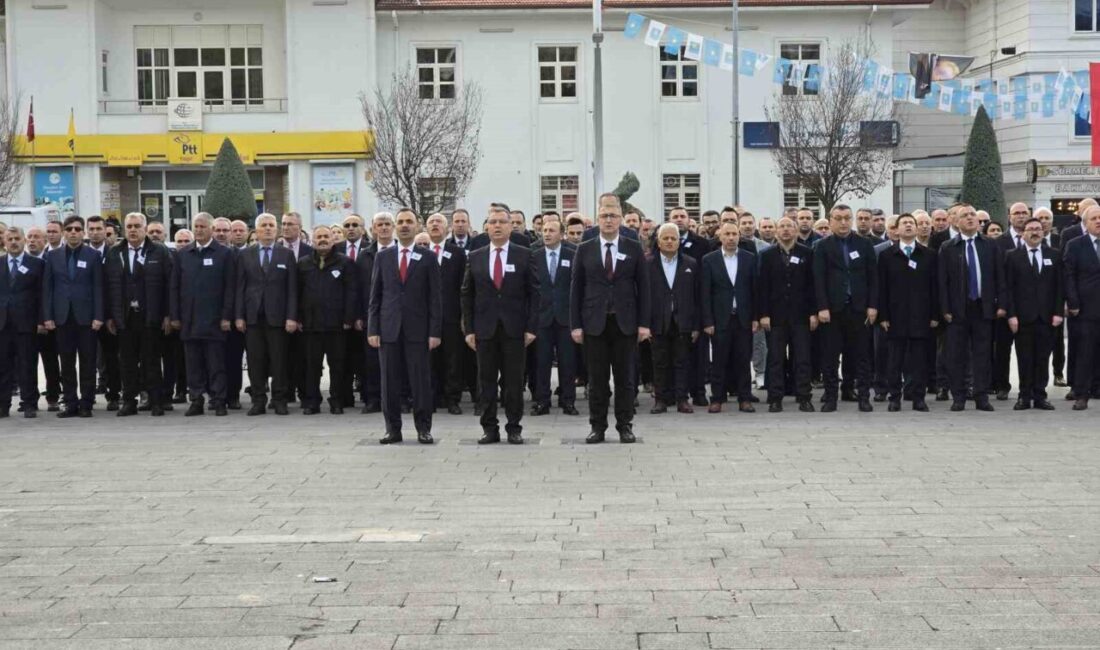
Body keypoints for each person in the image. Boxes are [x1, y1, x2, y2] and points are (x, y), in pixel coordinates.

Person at [571, 193, 651, 443]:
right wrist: (576, 325)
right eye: (604, 216)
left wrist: (644, 323)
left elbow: (644, 288)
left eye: (613, 216)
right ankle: (598, 426)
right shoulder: (585, 249)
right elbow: (576, 288)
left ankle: (624, 425)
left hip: (625, 323)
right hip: (595, 323)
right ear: (597, 219)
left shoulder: (633, 247)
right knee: (597, 380)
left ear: (620, 219)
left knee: (626, 379)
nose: (608, 220)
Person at [462, 204, 539, 443]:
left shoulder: (524, 254)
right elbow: (467, 294)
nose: (497, 226)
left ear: (510, 226)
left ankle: (514, 427)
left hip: (515, 328)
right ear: (486, 227)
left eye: (502, 222)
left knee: (513, 381)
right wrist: (469, 329)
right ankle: (489, 428)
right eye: (492, 222)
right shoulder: (476, 256)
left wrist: (531, 327)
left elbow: (534, 294)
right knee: (485, 381)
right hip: (484, 329)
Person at [367, 209, 441, 444]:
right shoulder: (383, 256)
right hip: (388, 329)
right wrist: (373, 329)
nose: (405, 225)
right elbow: (375, 297)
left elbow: (435, 299)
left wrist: (434, 332)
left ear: (418, 225)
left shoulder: (427, 257)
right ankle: (393, 429)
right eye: (401, 222)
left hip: (418, 330)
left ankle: (423, 428)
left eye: (409, 221)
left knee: (420, 382)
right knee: (389, 383)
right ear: (395, 227)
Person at [104, 213, 173, 417]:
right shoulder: (115, 252)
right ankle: (129, 401)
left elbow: (169, 285)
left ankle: (156, 401)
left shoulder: (159, 251)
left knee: (151, 361)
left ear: (145, 229)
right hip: (124, 317)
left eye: (137, 226)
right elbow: (109, 286)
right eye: (129, 226)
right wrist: (110, 315)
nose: (133, 230)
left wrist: (168, 315)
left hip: (150, 315)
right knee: (127, 362)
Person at [938, 203, 1005, 412]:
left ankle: (981, 396)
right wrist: (945, 309)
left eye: (973, 215)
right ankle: (959, 396)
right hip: (958, 309)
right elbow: (942, 282)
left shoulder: (990, 245)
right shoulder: (948, 247)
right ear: (956, 222)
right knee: (956, 355)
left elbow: (999, 276)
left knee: (983, 354)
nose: (970, 218)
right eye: (965, 215)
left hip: (983, 308)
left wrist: (1001, 303)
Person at [813, 204, 878, 413]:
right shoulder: (822, 246)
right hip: (832, 310)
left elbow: (873, 278)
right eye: (838, 218)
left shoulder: (864, 244)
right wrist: (822, 307)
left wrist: (872, 305)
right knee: (830, 356)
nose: (843, 222)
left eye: (847, 218)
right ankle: (831, 397)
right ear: (830, 220)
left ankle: (864, 397)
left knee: (862, 356)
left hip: (859, 308)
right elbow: (818, 279)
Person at [169, 212, 236, 417]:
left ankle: (218, 400)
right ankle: (196, 399)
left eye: (202, 227)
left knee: (216, 363)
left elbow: (229, 288)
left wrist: (226, 316)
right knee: (193, 365)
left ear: (211, 229)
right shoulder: (183, 254)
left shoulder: (224, 254)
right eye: (196, 226)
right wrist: (175, 316)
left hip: (214, 319)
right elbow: (175, 287)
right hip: (189, 320)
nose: (198, 230)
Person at [235, 214, 298, 416]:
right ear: (256, 230)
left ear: (277, 229)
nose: (268, 229)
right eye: (264, 225)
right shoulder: (245, 255)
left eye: (272, 225)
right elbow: (239, 288)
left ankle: (279, 400)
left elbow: (292, 289)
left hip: (278, 318)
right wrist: (239, 316)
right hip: (253, 318)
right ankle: (258, 400)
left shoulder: (286, 255)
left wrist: (291, 316)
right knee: (255, 362)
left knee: (279, 361)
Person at [43, 216, 104, 418]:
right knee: (66, 363)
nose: (73, 232)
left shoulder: (93, 255)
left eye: (77, 229)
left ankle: (86, 403)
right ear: (64, 232)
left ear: (83, 232)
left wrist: (98, 316)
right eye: (69, 229)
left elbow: (98, 287)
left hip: (86, 318)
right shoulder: (53, 257)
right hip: (62, 317)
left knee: (88, 363)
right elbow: (48, 289)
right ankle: (70, 403)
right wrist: (48, 316)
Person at [876, 214, 937, 412]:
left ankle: (918, 397)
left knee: (919, 361)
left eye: (912, 223)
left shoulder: (928, 255)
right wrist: (883, 316)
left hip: (921, 316)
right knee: (894, 361)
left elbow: (935, 288)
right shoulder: (887, 256)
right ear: (897, 229)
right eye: (905, 223)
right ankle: (895, 398)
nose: (909, 226)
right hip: (895, 317)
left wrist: (934, 315)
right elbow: (881, 288)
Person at [757, 216, 816, 412]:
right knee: (775, 358)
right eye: (781, 226)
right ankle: (775, 397)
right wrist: (763, 314)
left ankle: (804, 396)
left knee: (803, 358)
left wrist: (813, 313)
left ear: (796, 230)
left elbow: (812, 286)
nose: (785, 230)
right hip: (775, 316)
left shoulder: (807, 253)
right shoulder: (767, 255)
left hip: (801, 315)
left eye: (789, 226)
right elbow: (762, 287)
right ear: (776, 231)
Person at [297, 225, 356, 415]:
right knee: (311, 365)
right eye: (318, 237)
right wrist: (298, 317)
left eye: (326, 236)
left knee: (337, 365)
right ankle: (312, 401)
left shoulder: (345, 263)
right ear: (312, 241)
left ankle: (336, 400)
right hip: (310, 325)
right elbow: (296, 293)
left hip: (336, 324)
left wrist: (349, 317)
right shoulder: (303, 263)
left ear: (333, 240)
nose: (322, 239)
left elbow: (351, 292)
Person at [1003, 217, 1061, 411]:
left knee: (1043, 358)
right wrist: (1011, 315)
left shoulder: (1054, 254)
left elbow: (1059, 288)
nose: (1035, 232)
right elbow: (1008, 288)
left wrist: (1058, 312)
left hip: (1047, 317)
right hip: (1022, 318)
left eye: (1038, 229)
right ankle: (1024, 396)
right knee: (1024, 358)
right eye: (1030, 229)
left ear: (1044, 232)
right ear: (1023, 233)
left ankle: (1040, 396)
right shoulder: (1012, 256)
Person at [701, 221, 758, 413]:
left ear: (739, 236)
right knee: (719, 360)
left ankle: (745, 398)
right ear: (720, 237)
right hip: (720, 319)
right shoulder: (709, 260)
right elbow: (705, 293)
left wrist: (755, 318)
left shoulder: (750, 258)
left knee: (743, 360)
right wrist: (707, 321)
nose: (731, 237)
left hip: (743, 318)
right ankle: (717, 398)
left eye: (735, 234)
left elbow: (754, 290)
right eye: (727, 234)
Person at [646, 223, 699, 414]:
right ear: (658, 241)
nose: (669, 242)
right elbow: (643, 296)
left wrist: (695, 325)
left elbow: (696, 296)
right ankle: (661, 399)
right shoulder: (648, 263)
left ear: (679, 241)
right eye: (665, 238)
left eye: (673, 238)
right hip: (657, 322)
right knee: (659, 362)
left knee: (682, 361)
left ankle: (682, 399)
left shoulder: (690, 264)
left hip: (683, 321)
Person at [530, 218, 578, 416]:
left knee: (568, 362)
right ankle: (542, 401)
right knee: (542, 362)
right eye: (544, 230)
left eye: (551, 230)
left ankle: (568, 401)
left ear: (562, 234)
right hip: (542, 318)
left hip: (566, 318)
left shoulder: (573, 255)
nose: (547, 234)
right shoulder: (534, 256)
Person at [424, 212, 468, 414]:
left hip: (451, 315)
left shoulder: (457, 253)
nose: (435, 225)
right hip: (425, 317)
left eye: (439, 222)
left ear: (447, 228)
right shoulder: (420, 253)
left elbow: (464, 287)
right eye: (431, 222)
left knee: (453, 358)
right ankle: (431, 397)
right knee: (429, 359)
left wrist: (463, 316)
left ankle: (452, 399)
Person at [0, 227, 45, 418]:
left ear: (24, 240)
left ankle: (29, 403)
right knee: (3, 366)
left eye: (17, 238)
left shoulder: (36, 264)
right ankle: (3, 405)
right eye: (10, 239)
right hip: (2, 324)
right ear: (4, 241)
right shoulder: (0, 263)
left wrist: (42, 320)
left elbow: (43, 294)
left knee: (27, 365)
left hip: (27, 323)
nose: (13, 242)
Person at [1063, 205, 1100, 410]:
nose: (1098, 221)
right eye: (1094, 218)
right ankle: (1082, 393)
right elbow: (1069, 276)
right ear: (1085, 224)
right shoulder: (1075, 245)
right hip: (1085, 310)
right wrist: (1073, 303)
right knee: (1085, 353)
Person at [87, 215, 121, 411]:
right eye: (91, 229)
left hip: (110, 316)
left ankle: (114, 395)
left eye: (99, 229)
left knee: (111, 358)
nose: (95, 232)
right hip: (86, 316)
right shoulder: (81, 253)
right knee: (88, 358)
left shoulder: (115, 253)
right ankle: (88, 395)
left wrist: (112, 316)